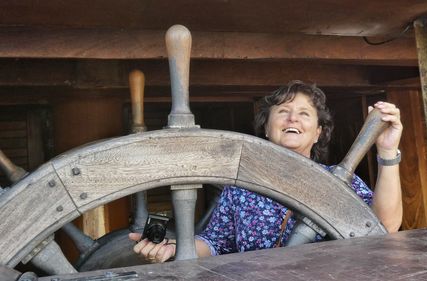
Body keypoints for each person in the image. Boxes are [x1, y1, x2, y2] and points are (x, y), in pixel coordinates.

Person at [129, 80, 403, 263]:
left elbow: (385, 226)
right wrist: (176, 248)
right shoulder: (240, 188)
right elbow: (214, 243)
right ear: (267, 128)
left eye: (304, 113)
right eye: (283, 111)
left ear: (318, 133)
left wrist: (388, 152)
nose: (292, 118)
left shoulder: (341, 182)